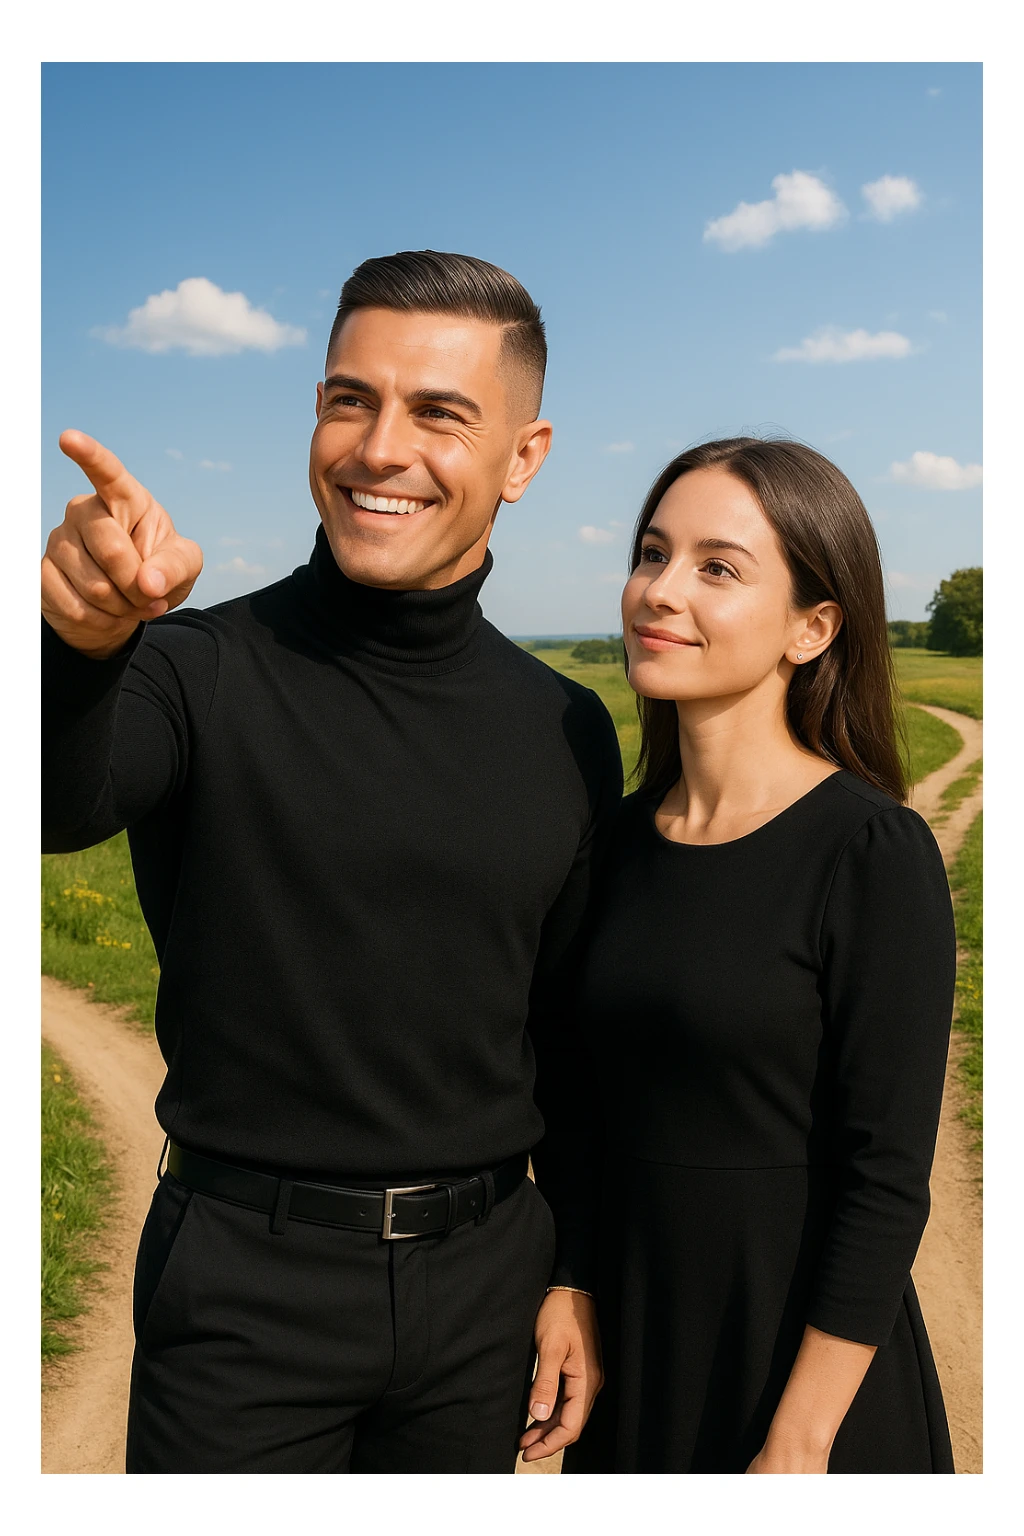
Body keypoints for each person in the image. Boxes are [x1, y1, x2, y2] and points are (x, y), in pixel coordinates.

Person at [40, 250, 621, 1474]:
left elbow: (565, 1037)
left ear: (525, 457)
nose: (375, 447)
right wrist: (81, 647)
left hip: (484, 1287)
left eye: (438, 413)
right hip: (244, 1286)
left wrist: (569, 1272)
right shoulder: (193, 667)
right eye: (347, 399)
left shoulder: (564, 726)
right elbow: (54, 800)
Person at [562, 437, 956, 1474]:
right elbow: (575, 1116)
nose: (658, 591)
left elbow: (886, 1177)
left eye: (716, 568)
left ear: (811, 627)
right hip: (635, 1360)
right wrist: (572, 1284)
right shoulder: (607, 845)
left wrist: (799, 1440)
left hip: (797, 1386)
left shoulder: (869, 852)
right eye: (652, 554)